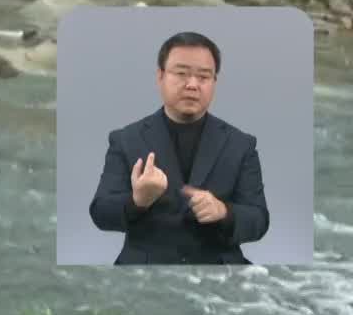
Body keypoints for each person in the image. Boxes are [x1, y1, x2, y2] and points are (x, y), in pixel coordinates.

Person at [88, 31, 269, 264]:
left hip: (220, 275)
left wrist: (224, 212)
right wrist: (138, 200)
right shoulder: (125, 139)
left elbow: (259, 219)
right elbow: (101, 213)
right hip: (145, 273)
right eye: (181, 73)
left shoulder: (241, 144)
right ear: (160, 76)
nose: (192, 84)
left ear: (215, 82)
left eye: (204, 76)